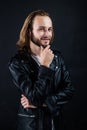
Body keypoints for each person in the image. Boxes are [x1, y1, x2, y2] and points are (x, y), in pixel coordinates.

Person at [8, 9, 74, 130]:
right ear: (29, 32)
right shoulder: (17, 63)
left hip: (56, 124)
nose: (47, 34)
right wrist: (44, 66)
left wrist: (44, 103)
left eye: (49, 29)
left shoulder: (58, 58)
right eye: (41, 29)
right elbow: (34, 97)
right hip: (31, 126)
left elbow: (69, 90)